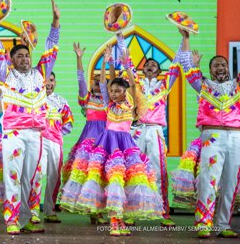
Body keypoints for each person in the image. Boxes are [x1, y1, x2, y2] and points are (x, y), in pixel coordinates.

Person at [59, 45, 164, 236]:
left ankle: (120, 220)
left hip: (124, 145)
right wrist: (105, 62)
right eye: (112, 91)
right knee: (111, 180)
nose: (114, 94)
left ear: (125, 92)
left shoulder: (131, 104)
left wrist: (126, 65)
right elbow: (101, 83)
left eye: (117, 91)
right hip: (107, 145)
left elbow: (132, 85)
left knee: (123, 182)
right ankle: (114, 223)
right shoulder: (108, 103)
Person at [0, 0, 60, 235]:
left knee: (31, 177)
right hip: (14, 133)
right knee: (13, 175)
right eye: (19, 56)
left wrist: (55, 23)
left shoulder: (40, 74)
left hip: (37, 134)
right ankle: (11, 219)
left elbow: (51, 50)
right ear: (11, 60)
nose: (25, 59)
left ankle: (27, 218)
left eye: (27, 56)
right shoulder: (5, 75)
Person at [116, 30, 184, 227]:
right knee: (132, 168)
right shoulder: (135, 83)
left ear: (159, 70)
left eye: (154, 65)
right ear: (143, 70)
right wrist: (120, 37)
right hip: (136, 130)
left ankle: (163, 212)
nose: (151, 66)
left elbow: (176, 65)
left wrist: (183, 39)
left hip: (155, 131)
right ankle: (130, 212)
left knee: (158, 171)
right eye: (147, 64)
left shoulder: (165, 85)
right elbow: (127, 61)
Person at [180, 29, 240, 238]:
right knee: (208, 179)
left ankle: (223, 224)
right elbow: (187, 68)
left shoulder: (238, 85)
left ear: (228, 68)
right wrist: (186, 38)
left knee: (231, 182)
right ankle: (203, 223)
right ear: (210, 69)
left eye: (223, 64)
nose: (220, 68)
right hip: (212, 137)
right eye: (216, 65)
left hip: (235, 137)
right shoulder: (203, 85)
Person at [61, 42, 108, 224]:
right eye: (95, 82)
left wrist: (105, 62)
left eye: (100, 82)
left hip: (105, 140)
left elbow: (105, 82)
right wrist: (78, 58)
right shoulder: (86, 98)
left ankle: (100, 210)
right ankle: (92, 210)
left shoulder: (108, 100)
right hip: (89, 140)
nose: (98, 85)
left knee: (102, 175)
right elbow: (81, 79)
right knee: (88, 175)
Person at [31, 72, 73, 224]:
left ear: (55, 82)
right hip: (37, 140)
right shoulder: (33, 99)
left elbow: (68, 122)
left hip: (55, 142)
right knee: (35, 175)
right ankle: (33, 211)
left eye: (51, 80)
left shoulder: (61, 101)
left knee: (54, 176)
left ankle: (49, 210)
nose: (48, 83)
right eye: (45, 80)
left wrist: (57, 134)